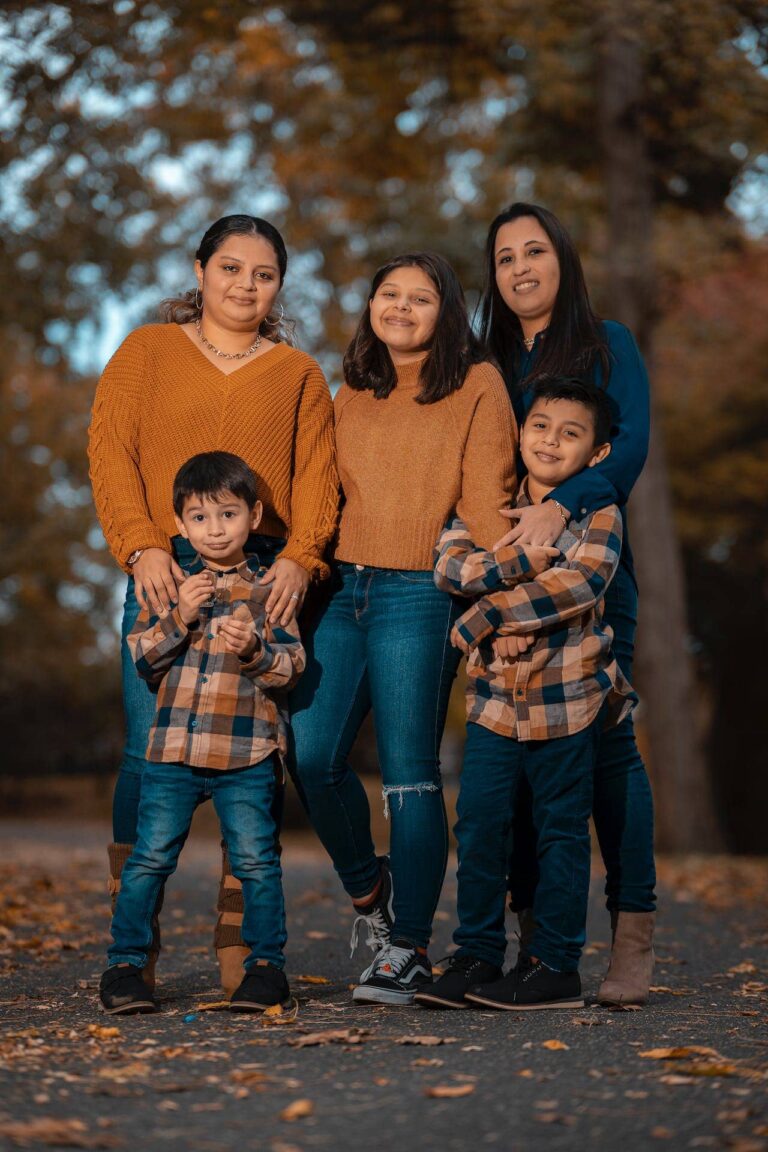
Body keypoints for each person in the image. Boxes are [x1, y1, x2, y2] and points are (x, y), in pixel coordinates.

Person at [88, 215, 338, 995]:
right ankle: (135, 949)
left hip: (264, 576)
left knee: (250, 760)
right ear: (199, 270)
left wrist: (300, 559)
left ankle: (243, 952)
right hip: (167, 566)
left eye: (263, 275)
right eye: (230, 268)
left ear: (278, 288)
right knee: (144, 757)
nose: (244, 286)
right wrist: (142, 545)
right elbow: (110, 449)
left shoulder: (297, 373)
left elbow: (319, 478)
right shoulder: (147, 352)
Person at [288, 252, 517, 1005]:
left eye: (421, 298)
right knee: (313, 755)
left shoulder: (477, 383)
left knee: (409, 772)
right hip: (341, 586)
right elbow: (317, 489)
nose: (402, 308)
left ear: (447, 312)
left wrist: (502, 603)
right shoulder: (349, 387)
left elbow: (488, 499)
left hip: (420, 590)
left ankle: (409, 947)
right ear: (372, 306)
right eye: (390, 294)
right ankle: (371, 894)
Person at [477, 202, 656, 1007]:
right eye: (505, 255)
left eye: (535, 250)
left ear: (563, 260)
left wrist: (561, 506)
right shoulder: (485, 363)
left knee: (609, 758)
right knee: (512, 771)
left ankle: (632, 933)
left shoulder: (607, 343)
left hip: (595, 577)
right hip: (508, 583)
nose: (520, 267)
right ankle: (538, 946)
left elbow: (633, 448)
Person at [416, 377, 635, 1010]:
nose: (550, 441)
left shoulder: (598, 512)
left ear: (595, 455)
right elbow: (452, 565)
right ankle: (479, 954)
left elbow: (583, 583)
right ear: (520, 431)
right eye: (540, 425)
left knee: (559, 830)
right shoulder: (489, 501)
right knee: (481, 825)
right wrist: (521, 573)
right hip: (492, 703)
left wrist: (489, 616)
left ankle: (553, 966)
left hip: (568, 699)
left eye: (571, 434)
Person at [99, 452, 305, 1015]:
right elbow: (142, 658)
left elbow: (292, 667)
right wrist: (179, 620)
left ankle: (266, 969)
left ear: (254, 515)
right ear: (181, 523)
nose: (214, 530)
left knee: (256, 862)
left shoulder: (269, 593)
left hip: (246, 756)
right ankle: (125, 966)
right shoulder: (170, 590)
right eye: (199, 518)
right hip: (173, 756)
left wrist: (255, 650)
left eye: (227, 515)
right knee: (149, 860)